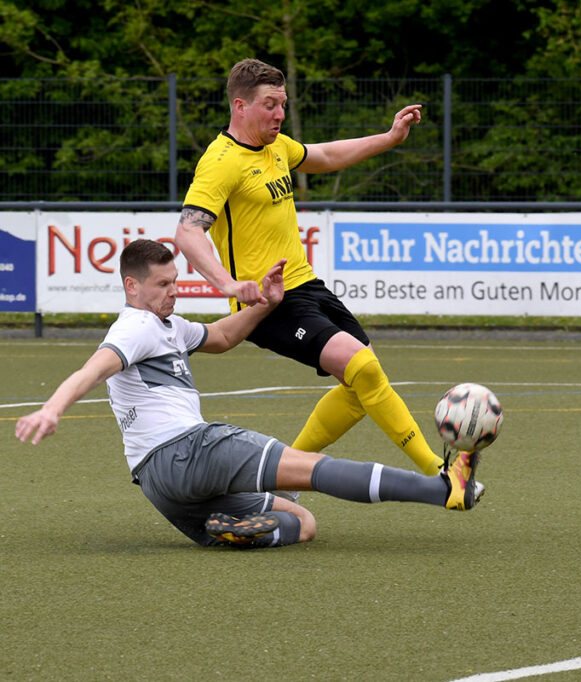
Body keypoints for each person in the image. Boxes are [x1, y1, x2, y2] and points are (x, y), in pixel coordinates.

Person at [14, 239, 482, 549]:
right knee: (314, 471)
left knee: (301, 523)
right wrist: (53, 409)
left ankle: (239, 534)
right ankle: (442, 491)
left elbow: (219, 336)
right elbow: (95, 368)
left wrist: (266, 306)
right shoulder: (135, 328)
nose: (173, 292)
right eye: (162, 285)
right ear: (131, 286)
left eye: (176, 282)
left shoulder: (167, 326)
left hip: (160, 486)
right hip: (190, 450)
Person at [174, 58, 466, 500]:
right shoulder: (220, 162)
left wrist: (388, 138)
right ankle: (441, 475)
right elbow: (188, 230)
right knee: (363, 368)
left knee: (360, 386)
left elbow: (326, 155)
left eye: (283, 104)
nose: (279, 114)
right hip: (268, 304)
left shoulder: (277, 148)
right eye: (270, 105)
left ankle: (280, 479)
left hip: (307, 287)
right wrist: (230, 286)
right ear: (240, 106)